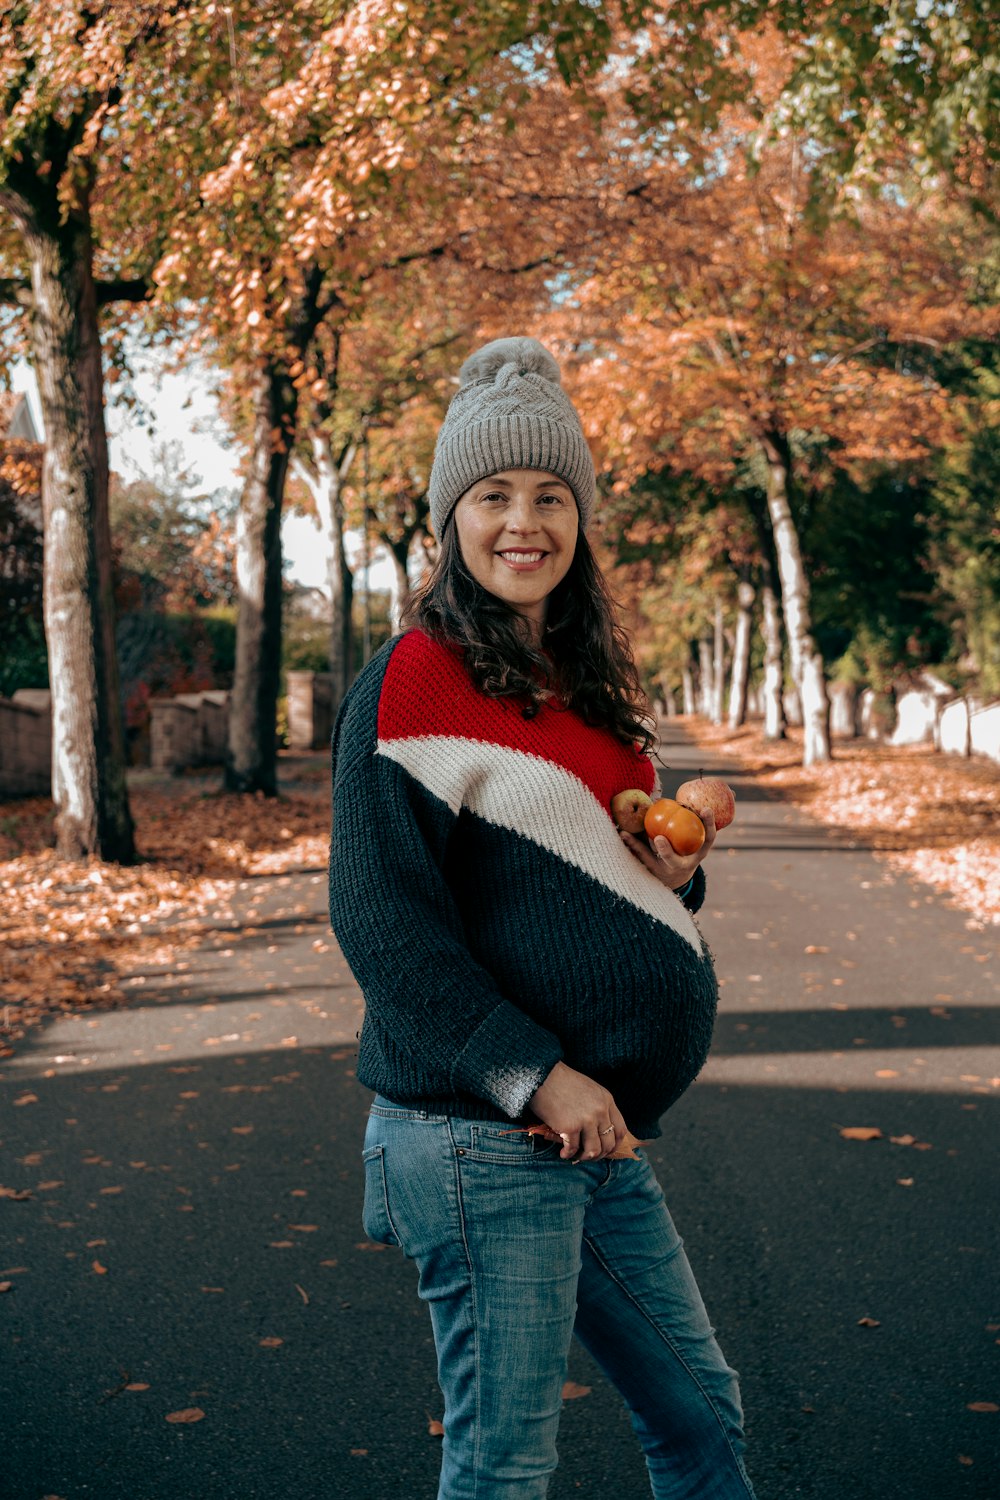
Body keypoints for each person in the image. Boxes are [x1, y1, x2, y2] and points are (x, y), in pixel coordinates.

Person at [328, 336, 756, 1500]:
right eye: (495, 495)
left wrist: (679, 875)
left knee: (701, 1419)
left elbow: (604, 869)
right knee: (503, 1464)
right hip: (483, 1131)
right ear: (450, 519)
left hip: (594, 1135)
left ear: (581, 519)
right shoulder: (414, 679)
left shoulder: (589, 693)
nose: (526, 523)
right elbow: (380, 921)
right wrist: (533, 1073)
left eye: (552, 497)